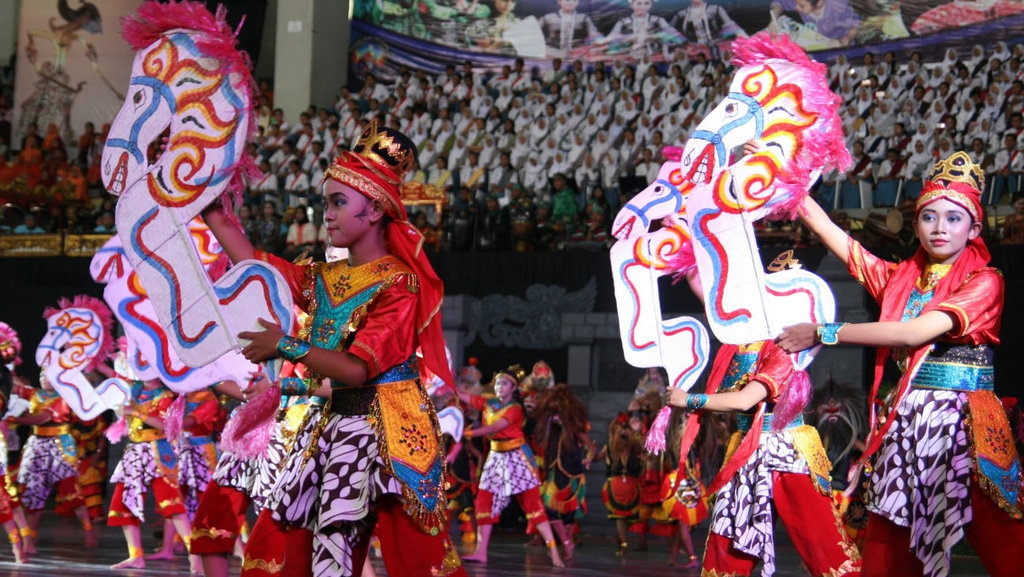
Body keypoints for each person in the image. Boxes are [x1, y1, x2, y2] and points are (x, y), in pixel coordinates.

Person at [203, 121, 467, 577]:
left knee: (418, 562)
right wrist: (205, 199)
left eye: (337, 203)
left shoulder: (398, 284)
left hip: (388, 431)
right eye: (326, 202)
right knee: (290, 545)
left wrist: (283, 344)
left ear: (376, 211)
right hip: (334, 423)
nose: (325, 214)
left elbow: (356, 370)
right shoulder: (321, 278)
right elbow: (253, 266)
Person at [776, 151, 1024, 577]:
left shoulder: (985, 281)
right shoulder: (899, 279)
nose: (940, 227)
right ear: (916, 224)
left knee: (1009, 549)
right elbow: (829, 231)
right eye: (930, 217)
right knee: (888, 552)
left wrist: (824, 331)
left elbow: (913, 334)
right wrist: (779, 171)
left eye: (953, 217)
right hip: (907, 426)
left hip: (963, 430)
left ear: (975, 228)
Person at [666, 335, 862, 577]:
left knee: (823, 544)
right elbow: (714, 301)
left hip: (786, 452)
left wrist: (688, 399)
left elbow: (745, 399)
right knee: (727, 543)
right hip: (746, 449)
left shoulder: (783, 349)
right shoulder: (739, 345)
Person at [456, 370, 565, 566]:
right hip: (496, 457)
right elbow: (465, 397)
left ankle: (554, 551)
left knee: (532, 505)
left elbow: (494, 427)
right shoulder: (489, 403)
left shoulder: (515, 408)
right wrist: (444, 384)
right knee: (483, 502)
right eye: (497, 383)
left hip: (516, 456)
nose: (499, 387)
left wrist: (467, 432)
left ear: (513, 388)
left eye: (504, 384)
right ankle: (481, 552)